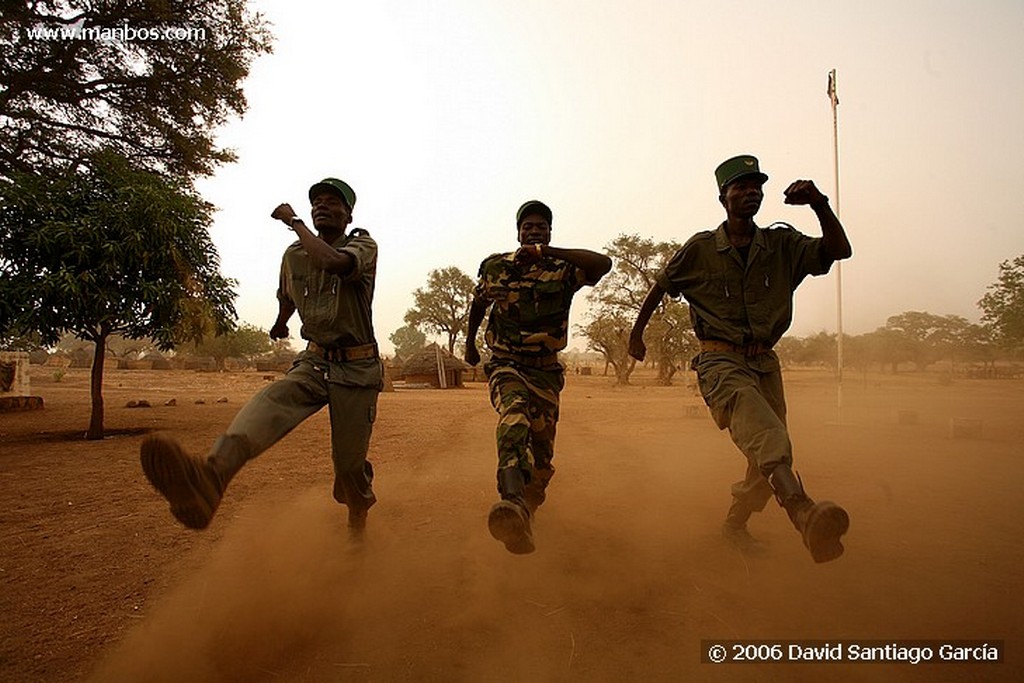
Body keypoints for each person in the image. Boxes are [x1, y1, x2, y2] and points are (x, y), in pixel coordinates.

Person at [629, 155, 853, 563]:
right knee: (770, 438)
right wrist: (635, 334)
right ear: (723, 197)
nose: (751, 193)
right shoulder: (699, 249)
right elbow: (661, 286)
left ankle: (734, 525)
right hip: (719, 362)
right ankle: (803, 512)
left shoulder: (782, 245)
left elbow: (839, 251)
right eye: (741, 187)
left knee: (766, 457)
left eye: (757, 187)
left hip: (765, 363)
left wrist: (819, 202)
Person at [140, 177, 383, 533]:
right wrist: (280, 324)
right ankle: (210, 478)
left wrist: (294, 220)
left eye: (333, 202)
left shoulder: (362, 244)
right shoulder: (294, 256)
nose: (322, 207)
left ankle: (357, 514)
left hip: (358, 367)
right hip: (315, 361)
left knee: (348, 467)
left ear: (348, 215)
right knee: (268, 404)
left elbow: (333, 263)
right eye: (317, 202)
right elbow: (287, 295)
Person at [465, 200, 612, 554]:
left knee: (542, 461)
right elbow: (479, 304)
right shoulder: (496, 266)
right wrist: (470, 344)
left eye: (541, 227)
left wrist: (547, 251)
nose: (533, 231)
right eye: (528, 227)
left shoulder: (564, 269)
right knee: (513, 415)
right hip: (506, 363)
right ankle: (511, 497)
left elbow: (603, 264)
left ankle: (524, 515)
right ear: (518, 232)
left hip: (545, 372)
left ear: (549, 233)